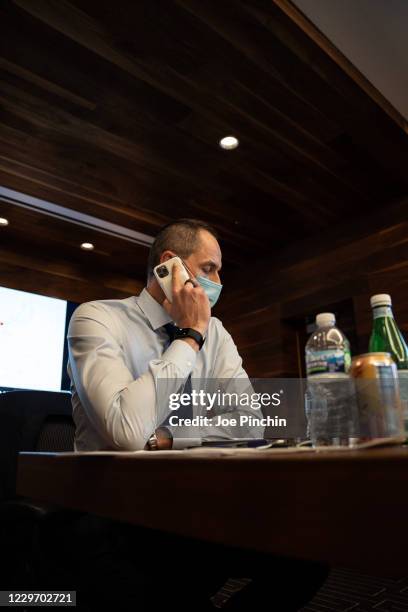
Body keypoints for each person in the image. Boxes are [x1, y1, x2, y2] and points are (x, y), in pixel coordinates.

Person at [66, 219, 328, 610]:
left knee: (308, 557)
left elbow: (250, 419)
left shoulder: (217, 332)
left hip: (191, 509)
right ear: (170, 265)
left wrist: (172, 437)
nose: (218, 281)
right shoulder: (97, 319)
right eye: (209, 269)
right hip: (114, 516)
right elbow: (126, 430)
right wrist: (189, 336)